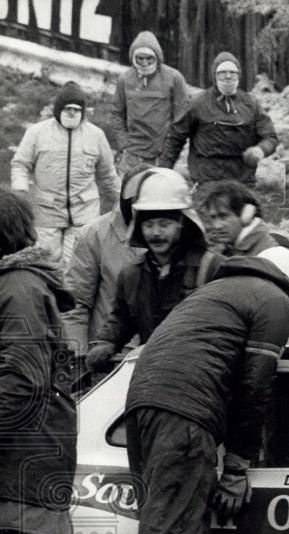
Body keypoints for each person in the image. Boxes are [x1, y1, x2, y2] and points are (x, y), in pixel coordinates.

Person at [102, 246, 289, 534]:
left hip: (142, 409)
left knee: (183, 533)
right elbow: (255, 386)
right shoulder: (276, 301)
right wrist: (237, 466)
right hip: (184, 415)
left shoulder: (215, 292)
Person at [0, 189, 77, 534]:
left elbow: (21, 383)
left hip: (22, 462)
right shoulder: (22, 286)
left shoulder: (17, 289)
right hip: (30, 457)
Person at [85, 169, 222, 374]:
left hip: (200, 374)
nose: (156, 233)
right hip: (151, 373)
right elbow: (122, 317)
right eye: (148, 225)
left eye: (164, 224)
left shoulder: (210, 267)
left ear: (181, 223)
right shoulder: (132, 274)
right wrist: (107, 342)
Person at [10, 81, 119, 268]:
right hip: (46, 213)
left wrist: (121, 202)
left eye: (77, 110)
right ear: (58, 109)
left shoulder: (96, 135)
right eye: (68, 109)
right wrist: (20, 190)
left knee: (77, 265)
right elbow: (20, 164)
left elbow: (108, 174)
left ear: (83, 112)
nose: (72, 113)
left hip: (84, 212)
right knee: (45, 264)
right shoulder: (37, 133)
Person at [63, 166, 159, 371]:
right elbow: (76, 303)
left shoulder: (170, 234)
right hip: (109, 358)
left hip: (158, 358)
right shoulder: (94, 235)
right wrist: (78, 358)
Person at [158, 52, 278, 187]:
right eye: (222, 73)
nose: (228, 76)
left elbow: (270, 137)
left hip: (243, 183)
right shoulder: (198, 103)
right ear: (214, 75)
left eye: (232, 72)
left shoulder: (251, 104)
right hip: (207, 182)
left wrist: (260, 150)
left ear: (239, 75)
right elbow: (175, 138)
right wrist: (162, 173)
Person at [109, 31, 189, 176]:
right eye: (140, 58)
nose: (145, 63)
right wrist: (124, 144)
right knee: (127, 189)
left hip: (162, 155)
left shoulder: (174, 78)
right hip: (132, 154)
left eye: (149, 58)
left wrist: (170, 152)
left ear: (157, 57)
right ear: (133, 57)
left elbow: (182, 118)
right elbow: (117, 113)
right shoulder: (124, 79)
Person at [196, 179, 289, 260]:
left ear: (246, 214)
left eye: (223, 216)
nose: (217, 225)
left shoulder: (272, 249)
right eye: (213, 217)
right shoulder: (220, 248)